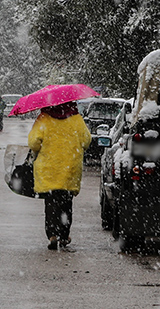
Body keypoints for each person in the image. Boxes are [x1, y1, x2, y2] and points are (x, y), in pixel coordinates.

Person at [27, 101, 91, 250]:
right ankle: (64, 235)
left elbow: (34, 143)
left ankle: (52, 235)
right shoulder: (76, 119)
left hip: (49, 169)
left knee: (51, 204)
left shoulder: (44, 118)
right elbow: (87, 141)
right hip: (69, 169)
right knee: (66, 204)